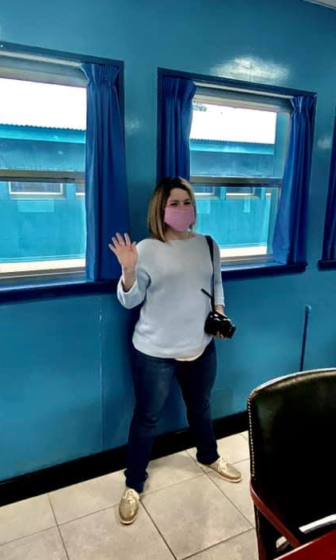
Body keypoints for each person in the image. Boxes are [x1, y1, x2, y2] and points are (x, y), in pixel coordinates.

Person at [109, 177, 241, 525]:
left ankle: (209, 456)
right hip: (155, 352)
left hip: (201, 347)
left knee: (201, 407)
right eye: (174, 203)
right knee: (147, 418)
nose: (182, 209)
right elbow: (130, 301)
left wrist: (220, 314)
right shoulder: (146, 249)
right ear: (160, 209)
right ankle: (134, 483)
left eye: (187, 202)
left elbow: (216, 285)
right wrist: (128, 270)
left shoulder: (208, 244)